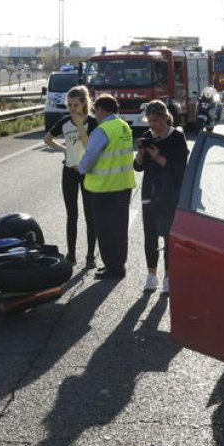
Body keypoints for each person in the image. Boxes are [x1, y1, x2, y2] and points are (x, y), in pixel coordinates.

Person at [132, 100, 188, 294]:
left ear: (165, 118)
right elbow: (138, 166)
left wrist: (157, 157)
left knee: (168, 237)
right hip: (150, 191)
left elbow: (181, 169)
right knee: (150, 235)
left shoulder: (177, 137)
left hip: (170, 194)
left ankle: (168, 277)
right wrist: (141, 153)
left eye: (155, 120)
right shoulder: (148, 136)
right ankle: (151, 275)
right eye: (149, 121)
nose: (152, 125)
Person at [78, 94, 135, 281]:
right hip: (123, 185)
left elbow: (89, 158)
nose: (95, 115)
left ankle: (112, 267)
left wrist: (80, 168)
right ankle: (119, 264)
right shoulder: (124, 126)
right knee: (120, 228)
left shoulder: (102, 130)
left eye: (95, 110)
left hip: (104, 189)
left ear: (102, 109)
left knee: (105, 230)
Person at [43, 85, 99, 266]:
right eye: (69, 105)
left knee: (90, 215)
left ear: (84, 103)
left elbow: (90, 146)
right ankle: (71, 255)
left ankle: (90, 257)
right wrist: (64, 150)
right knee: (71, 215)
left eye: (75, 104)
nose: (72, 108)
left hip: (88, 172)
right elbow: (47, 139)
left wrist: (81, 126)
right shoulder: (65, 121)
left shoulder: (93, 122)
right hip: (69, 171)